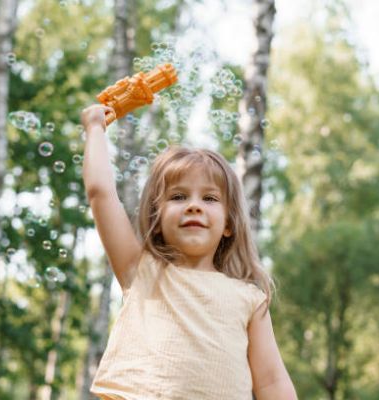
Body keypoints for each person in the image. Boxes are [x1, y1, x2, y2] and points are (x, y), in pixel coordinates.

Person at [81, 104, 297, 400]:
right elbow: (101, 193)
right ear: (157, 220)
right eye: (179, 196)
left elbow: (272, 382)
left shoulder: (249, 298)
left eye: (209, 198)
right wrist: (95, 128)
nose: (193, 205)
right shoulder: (141, 271)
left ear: (229, 224)